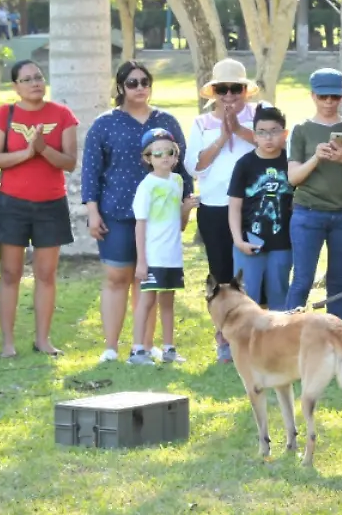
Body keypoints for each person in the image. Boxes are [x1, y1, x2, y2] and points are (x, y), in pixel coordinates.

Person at [84, 61, 192, 363]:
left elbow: (181, 168)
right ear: (120, 87)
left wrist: (184, 209)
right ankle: (110, 346)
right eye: (132, 83)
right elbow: (91, 171)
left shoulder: (166, 121)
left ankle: (143, 345)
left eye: (145, 81)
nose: (140, 87)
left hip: (159, 219)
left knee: (149, 282)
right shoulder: (105, 123)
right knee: (118, 276)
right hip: (117, 212)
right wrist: (92, 211)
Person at [0, 60, 79, 358]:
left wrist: (43, 149)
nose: (35, 83)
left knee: (46, 274)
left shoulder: (62, 114)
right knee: (10, 273)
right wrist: (27, 152)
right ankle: (8, 343)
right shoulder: (5, 113)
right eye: (26, 79)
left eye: (38, 77)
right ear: (16, 86)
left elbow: (69, 163)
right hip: (12, 203)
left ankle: (43, 339)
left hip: (51, 203)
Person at [184, 58, 258, 363]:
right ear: (214, 91)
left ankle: (259, 333)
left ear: (245, 90)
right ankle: (225, 339)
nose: (229, 95)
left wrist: (239, 129)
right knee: (221, 274)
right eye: (223, 89)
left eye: (235, 88)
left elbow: (277, 146)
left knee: (253, 271)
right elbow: (194, 165)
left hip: (254, 206)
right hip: (214, 207)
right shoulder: (201, 124)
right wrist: (223, 136)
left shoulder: (259, 115)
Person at [284, 69, 342, 321]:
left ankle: (335, 336)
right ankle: (290, 334)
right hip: (308, 213)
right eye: (323, 97)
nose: (329, 102)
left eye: (334, 96)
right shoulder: (301, 130)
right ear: (313, 96)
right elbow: (294, 178)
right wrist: (316, 157)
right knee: (302, 279)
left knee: (338, 281)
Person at [129, 129, 198, 365]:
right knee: (147, 300)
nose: (165, 158)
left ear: (176, 156)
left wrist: (187, 208)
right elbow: (140, 225)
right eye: (158, 154)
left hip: (172, 254)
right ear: (148, 158)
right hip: (153, 254)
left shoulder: (177, 181)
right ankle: (138, 350)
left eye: (170, 152)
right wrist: (141, 260)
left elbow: (178, 224)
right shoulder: (146, 186)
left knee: (168, 300)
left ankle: (169, 348)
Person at [228, 105, 293, 311]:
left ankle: (279, 343)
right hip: (249, 241)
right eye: (262, 132)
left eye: (274, 131)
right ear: (254, 135)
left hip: (283, 243)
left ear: (285, 133)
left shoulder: (291, 162)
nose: (268, 138)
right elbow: (234, 207)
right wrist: (238, 240)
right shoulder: (245, 164)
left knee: (279, 298)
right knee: (246, 299)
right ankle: (238, 343)